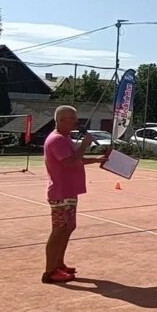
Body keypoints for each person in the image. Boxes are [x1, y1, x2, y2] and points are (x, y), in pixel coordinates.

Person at [42, 105, 107, 284]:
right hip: (61, 192)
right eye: (72, 118)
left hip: (69, 191)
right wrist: (85, 145)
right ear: (61, 120)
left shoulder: (65, 138)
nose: (76, 122)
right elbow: (69, 162)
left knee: (68, 227)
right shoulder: (57, 140)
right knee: (59, 230)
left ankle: (59, 264)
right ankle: (49, 272)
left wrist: (97, 159)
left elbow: (76, 159)